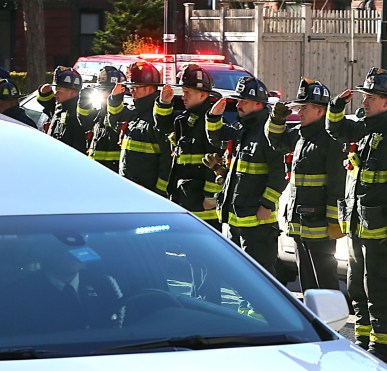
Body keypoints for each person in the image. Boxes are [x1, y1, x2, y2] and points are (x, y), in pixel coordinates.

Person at [326, 67, 387, 364]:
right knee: (356, 285)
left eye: (370, 97)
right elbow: (335, 129)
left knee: (380, 288)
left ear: (386, 103)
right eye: (364, 96)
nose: (363, 102)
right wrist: (337, 108)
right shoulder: (364, 127)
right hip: (357, 225)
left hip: (382, 230)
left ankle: (385, 347)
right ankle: (364, 339)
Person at [266, 77, 345, 289]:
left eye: (304, 108)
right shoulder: (302, 136)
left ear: (320, 110)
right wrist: (276, 120)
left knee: (325, 281)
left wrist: (333, 221)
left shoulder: (330, 140)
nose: (298, 113)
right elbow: (276, 142)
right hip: (300, 223)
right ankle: (312, 319)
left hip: (320, 226)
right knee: (307, 283)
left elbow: (337, 183)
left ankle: (329, 319)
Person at [205, 75, 287, 273]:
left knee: (260, 275)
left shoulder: (268, 133)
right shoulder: (244, 128)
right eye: (239, 100)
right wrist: (213, 117)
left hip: (258, 224)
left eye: (244, 101)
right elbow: (217, 138)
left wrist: (267, 204)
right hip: (237, 218)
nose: (239, 105)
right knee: (242, 275)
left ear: (259, 104)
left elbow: (280, 172)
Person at [155, 64, 224, 229]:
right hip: (184, 198)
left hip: (202, 208)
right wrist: (164, 103)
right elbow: (162, 127)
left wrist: (211, 196)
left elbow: (217, 160)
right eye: (183, 92)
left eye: (187, 93)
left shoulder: (212, 123)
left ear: (202, 94)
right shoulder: (185, 120)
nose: (183, 97)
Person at [107, 61, 163, 191]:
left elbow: (166, 161)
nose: (131, 92)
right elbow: (114, 123)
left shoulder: (157, 118)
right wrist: (115, 99)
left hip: (148, 192)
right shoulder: (134, 112)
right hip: (128, 187)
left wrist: (160, 192)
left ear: (150, 88)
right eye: (131, 88)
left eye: (135, 87)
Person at [38, 66, 90, 153]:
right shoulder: (60, 106)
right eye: (55, 91)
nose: (55, 94)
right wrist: (43, 92)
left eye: (59, 91)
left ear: (73, 92)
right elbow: (46, 102)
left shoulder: (78, 113)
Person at [84, 66, 126, 172]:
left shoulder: (125, 116)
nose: (102, 94)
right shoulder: (99, 114)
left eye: (107, 91)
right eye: (100, 90)